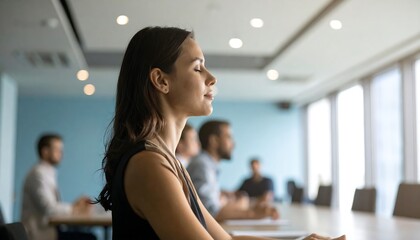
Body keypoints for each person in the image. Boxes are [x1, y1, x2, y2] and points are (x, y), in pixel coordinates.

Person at [96, 26, 345, 240]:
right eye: (197, 68)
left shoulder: (168, 162)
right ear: (161, 81)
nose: (212, 78)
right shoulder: (149, 164)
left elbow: (225, 239)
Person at [187, 120, 278, 221]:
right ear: (214, 141)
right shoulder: (202, 166)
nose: (233, 143)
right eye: (229, 137)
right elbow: (210, 212)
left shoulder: (207, 165)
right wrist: (253, 214)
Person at [21, 134, 95, 240]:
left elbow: (53, 206)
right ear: (45, 151)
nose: (61, 154)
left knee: (88, 235)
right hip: (41, 234)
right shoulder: (38, 174)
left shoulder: (47, 173)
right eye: (57, 150)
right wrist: (75, 208)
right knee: (90, 238)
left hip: (50, 230)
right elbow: (49, 208)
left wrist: (74, 206)